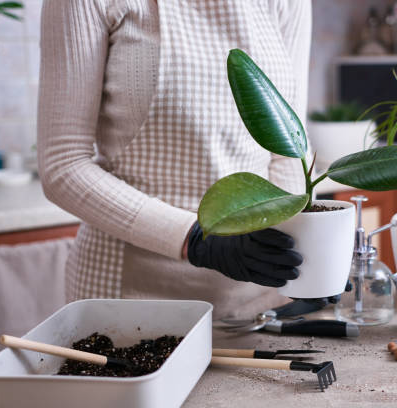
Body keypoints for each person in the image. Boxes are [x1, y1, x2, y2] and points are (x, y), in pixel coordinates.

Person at [37, 0, 313, 318]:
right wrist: (194, 239)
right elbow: (63, 165)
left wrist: (303, 255)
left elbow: (291, 148)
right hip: (129, 301)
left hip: (257, 301)